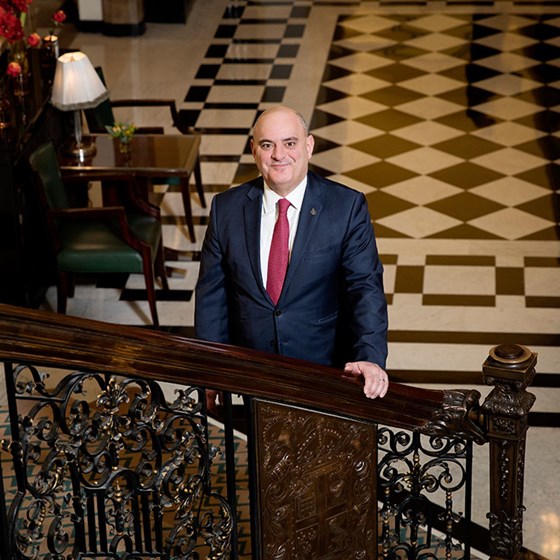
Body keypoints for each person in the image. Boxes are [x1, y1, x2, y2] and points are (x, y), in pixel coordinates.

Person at [195, 106, 389, 404]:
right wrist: (212, 368)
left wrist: (370, 357)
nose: (278, 155)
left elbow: (365, 288)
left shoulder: (346, 208)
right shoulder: (226, 209)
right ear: (254, 150)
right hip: (254, 377)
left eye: (290, 143)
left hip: (325, 372)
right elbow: (211, 298)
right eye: (267, 144)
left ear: (308, 146)